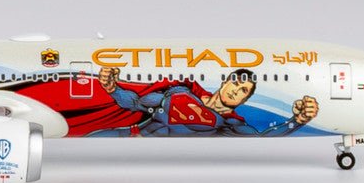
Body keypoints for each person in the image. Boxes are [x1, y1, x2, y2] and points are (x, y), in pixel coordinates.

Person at [89, 66, 318, 136]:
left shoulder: (229, 123)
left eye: (243, 91)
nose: (236, 91)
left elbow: (262, 136)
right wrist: (112, 89)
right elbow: (136, 103)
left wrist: (297, 120)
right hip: (127, 134)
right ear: (225, 81)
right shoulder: (182, 93)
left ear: (245, 99)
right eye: (236, 83)